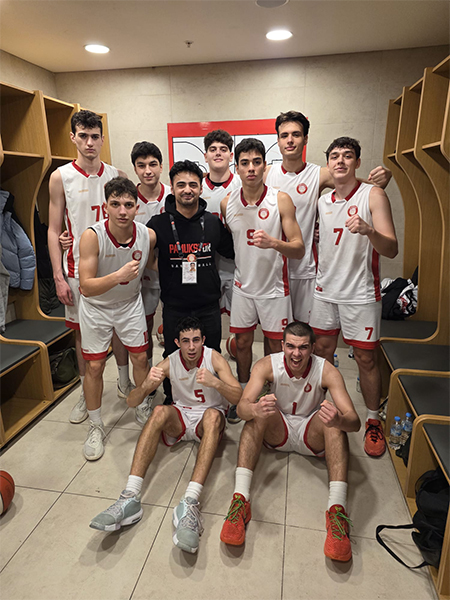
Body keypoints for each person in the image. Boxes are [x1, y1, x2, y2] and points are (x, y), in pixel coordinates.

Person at [89, 316, 242, 554]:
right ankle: (130, 496)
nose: (191, 347)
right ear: (177, 343)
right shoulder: (169, 362)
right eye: (185, 341)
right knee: (159, 411)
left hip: (208, 420)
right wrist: (145, 386)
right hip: (181, 418)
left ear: (203, 340)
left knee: (213, 416)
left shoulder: (214, 358)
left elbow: (239, 398)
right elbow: (131, 402)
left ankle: (190, 503)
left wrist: (217, 383)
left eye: (196, 340)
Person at [220, 321, 360, 562]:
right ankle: (240, 500)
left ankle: (337, 512)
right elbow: (241, 408)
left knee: (334, 421)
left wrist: (339, 420)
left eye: (303, 347)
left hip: (311, 431)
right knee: (256, 414)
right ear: (282, 345)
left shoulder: (327, 370)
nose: (296, 354)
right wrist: (254, 409)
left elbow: (354, 422)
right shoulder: (267, 365)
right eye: (291, 346)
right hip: (279, 427)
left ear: (312, 348)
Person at [309, 137, 398, 457]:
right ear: (328, 164)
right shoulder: (323, 201)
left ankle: (373, 420)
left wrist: (369, 230)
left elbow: (391, 248)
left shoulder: (373, 195)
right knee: (321, 351)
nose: (341, 161)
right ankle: (317, 408)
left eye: (348, 156)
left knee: (365, 359)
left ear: (357, 162)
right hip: (325, 291)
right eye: (334, 156)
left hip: (360, 294)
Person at [265, 110, 392, 323]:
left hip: (306, 268)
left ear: (305, 139)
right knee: (276, 332)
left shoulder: (319, 173)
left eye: (296, 134)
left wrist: (383, 178)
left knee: (306, 332)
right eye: (284, 135)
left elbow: (357, 185)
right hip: (273, 268)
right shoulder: (266, 173)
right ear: (277, 140)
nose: (290, 140)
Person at [48, 110, 133, 426]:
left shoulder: (116, 174)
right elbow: (53, 229)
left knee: (120, 329)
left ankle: (124, 381)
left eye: (95, 136)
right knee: (82, 334)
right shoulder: (60, 177)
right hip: (76, 270)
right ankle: (86, 393)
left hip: (114, 267)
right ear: (73, 137)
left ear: (102, 138)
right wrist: (58, 276)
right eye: (83, 136)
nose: (89, 142)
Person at [78, 177, 156, 460]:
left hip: (129, 304)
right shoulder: (92, 236)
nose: (122, 211)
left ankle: (142, 404)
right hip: (96, 307)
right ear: (105, 207)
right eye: (115, 204)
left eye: (128, 204)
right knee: (95, 366)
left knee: (140, 359)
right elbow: (86, 286)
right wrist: (118, 276)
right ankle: (96, 424)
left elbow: (154, 264)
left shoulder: (147, 235)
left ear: (137, 207)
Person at [220, 138, 304, 399]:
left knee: (275, 345)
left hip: (274, 289)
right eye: (245, 163)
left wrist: (274, 243)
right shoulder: (227, 203)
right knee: (242, 342)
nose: (251, 168)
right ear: (236, 168)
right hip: (243, 287)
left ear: (264, 165)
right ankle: (245, 389)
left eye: (256, 162)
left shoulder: (281, 200)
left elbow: (299, 248)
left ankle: (272, 391)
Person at [147, 159, 234, 403]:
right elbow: (140, 252)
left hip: (208, 305)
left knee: (212, 354)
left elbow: (235, 251)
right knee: (172, 355)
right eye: (181, 185)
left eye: (193, 185)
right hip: (175, 305)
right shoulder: (158, 224)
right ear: (172, 187)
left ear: (200, 188)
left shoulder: (213, 222)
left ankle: (213, 399)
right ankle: (172, 398)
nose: (187, 190)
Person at [130, 141, 170, 369]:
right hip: (141, 276)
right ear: (135, 169)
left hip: (171, 274)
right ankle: (147, 375)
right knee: (144, 328)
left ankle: (175, 375)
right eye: (141, 165)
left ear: (161, 166)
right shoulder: (128, 200)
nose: (148, 171)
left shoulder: (173, 195)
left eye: (153, 164)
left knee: (175, 325)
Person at [202, 129, 241, 317]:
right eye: (213, 149)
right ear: (205, 156)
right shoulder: (196, 188)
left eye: (223, 149)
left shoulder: (242, 185)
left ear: (231, 156)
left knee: (240, 325)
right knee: (209, 321)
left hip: (237, 267)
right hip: (207, 267)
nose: (218, 153)